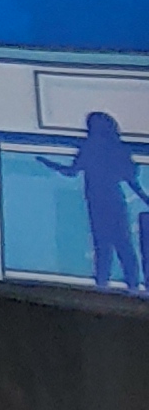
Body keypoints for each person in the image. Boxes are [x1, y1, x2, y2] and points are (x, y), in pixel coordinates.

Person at [81, 110, 146, 291]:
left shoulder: (91, 147)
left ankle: (112, 284)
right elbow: (131, 178)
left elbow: (72, 170)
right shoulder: (115, 148)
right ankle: (128, 285)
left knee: (107, 245)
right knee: (119, 244)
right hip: (107, 201)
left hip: (101, 202)